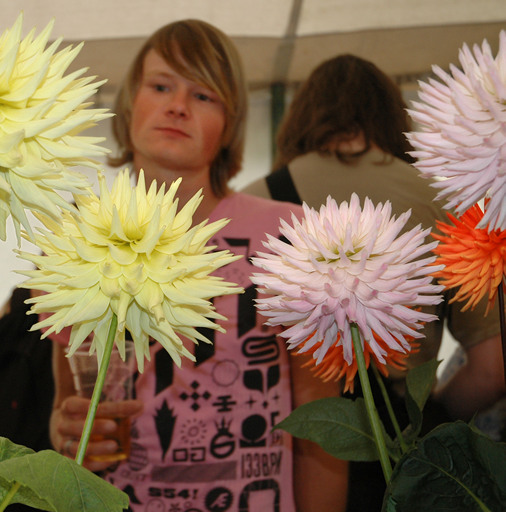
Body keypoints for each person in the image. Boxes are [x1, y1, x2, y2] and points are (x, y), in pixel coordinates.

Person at [49, 19, 348, 512]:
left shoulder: (294, 235)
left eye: (204, 95)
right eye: (161, 85)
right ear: (129, 105)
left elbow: (321, 424)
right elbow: (66, 408)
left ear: (229, 123)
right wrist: (65, 429)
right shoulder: (73, 238)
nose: (177, 106)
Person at [242, 53, 504, 511]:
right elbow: (492, 365)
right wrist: (431, 412)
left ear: (301, 118)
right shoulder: (445, 201)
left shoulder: (253, 202)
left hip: (284, 440)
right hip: (404, 444)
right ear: (391, 115)